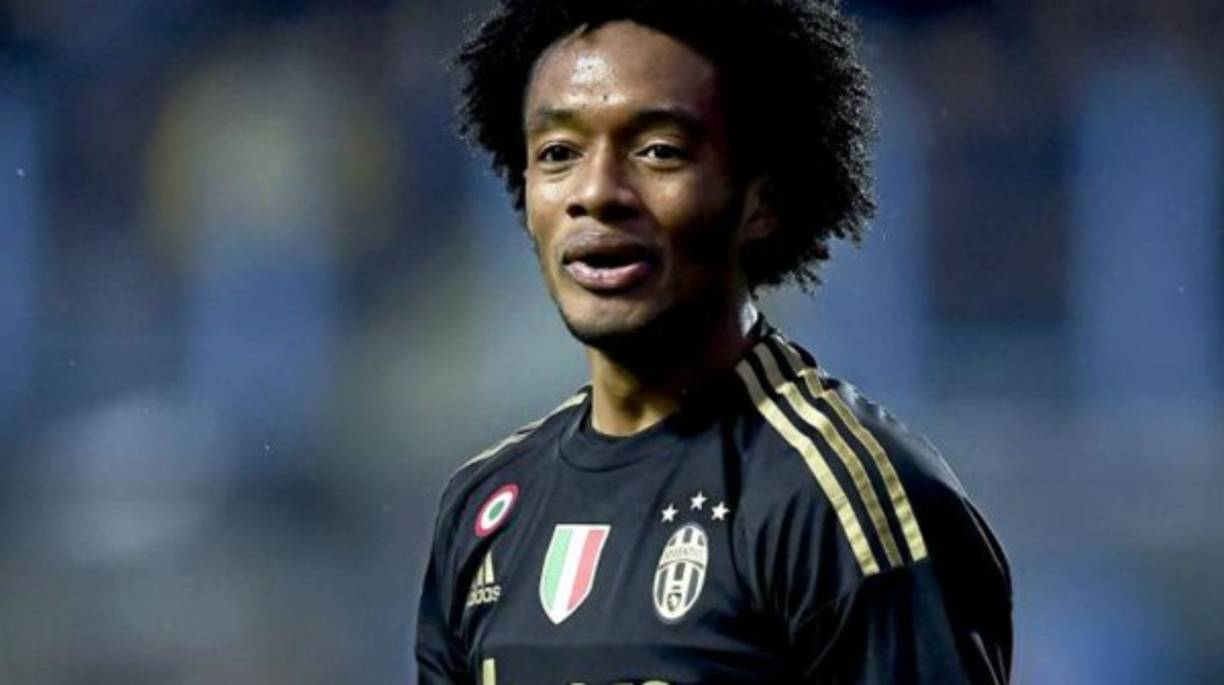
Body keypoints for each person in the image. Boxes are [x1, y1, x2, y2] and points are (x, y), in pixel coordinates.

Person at [416, 0, 1013, 682]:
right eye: (559, 154)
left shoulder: (839, 503)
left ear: (760, 201)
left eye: (659, 152)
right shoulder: (485, 507)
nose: (597, 192)